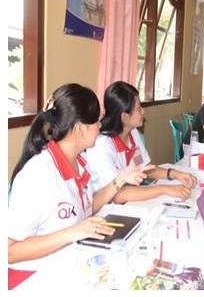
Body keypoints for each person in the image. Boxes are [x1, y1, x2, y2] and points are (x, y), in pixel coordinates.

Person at [9, 84, 149, 270]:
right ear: (80, 129)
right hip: (37, 275)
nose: (101, 125)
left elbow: (86, 207)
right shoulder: (38, 175)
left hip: (73, 260)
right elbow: (9, 251)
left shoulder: (79, 161)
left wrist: (120, 180)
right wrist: (73, 232)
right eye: (97, 121)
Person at [84, 81, 197, 204]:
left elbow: (146, 170)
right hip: (108, 211)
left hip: (129, 203)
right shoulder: (102, 145)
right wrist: (164, 189)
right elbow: (118, 195)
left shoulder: (132, 133)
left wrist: (175, 174)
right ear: (125, 117)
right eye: (138, 109)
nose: (143, 112)